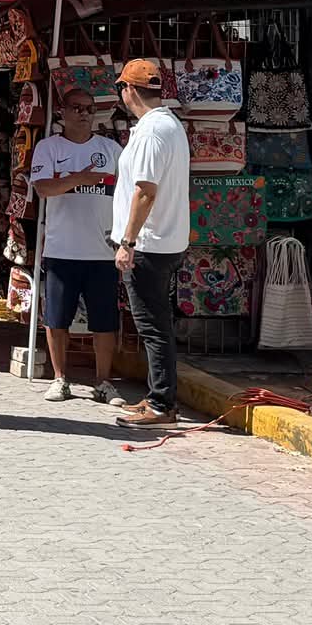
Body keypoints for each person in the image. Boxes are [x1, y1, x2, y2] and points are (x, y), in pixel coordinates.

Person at [110, 57, 192, 428]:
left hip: (149, 244)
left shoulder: (152, 131)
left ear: (129, 89)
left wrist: (127, 241)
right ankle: (158, 396)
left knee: (153, 327)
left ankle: (162, 405)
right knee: (156, 324)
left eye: (121, 87)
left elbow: (145, 191)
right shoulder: (167, 124)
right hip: (163, 241)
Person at [30, 89, 123, 403]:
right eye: (77, 108)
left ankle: (104, 382)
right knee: (56, 320)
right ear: (63, 112)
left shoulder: (111, 150)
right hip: (62, 250)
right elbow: (43, 188)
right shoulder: (48, 148)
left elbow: (127, 192)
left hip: (103, 251)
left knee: (104, 322)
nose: (84, 114)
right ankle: (60, 379)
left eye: (89, 109)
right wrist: (78, 178)